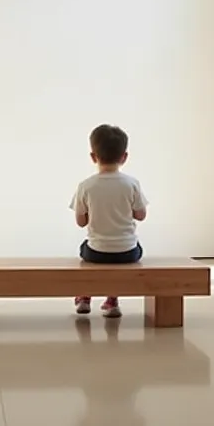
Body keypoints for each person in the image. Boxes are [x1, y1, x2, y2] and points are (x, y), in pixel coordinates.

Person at [69, 124, 148, 318]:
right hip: (128, 252)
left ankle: (85, 297)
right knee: (132, 250)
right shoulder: (132, 184)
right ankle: (112, 301)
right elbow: (141, 215)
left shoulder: (86, 186)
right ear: (124, 157)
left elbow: (81, 222)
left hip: (97, 252)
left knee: (85, 251)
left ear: (93, 157)